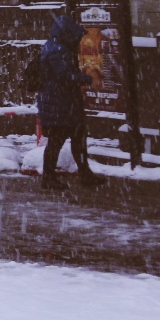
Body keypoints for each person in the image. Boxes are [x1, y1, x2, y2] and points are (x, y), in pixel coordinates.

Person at [36, 13, 102, 190]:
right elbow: (65, 76)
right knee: (58, 140)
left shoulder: (54, 47)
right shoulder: (58, 50)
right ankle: (49, 177)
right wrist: (87, 79)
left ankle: (84, 173)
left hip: (63, 102)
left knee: (77, 137)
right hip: (59, 104)